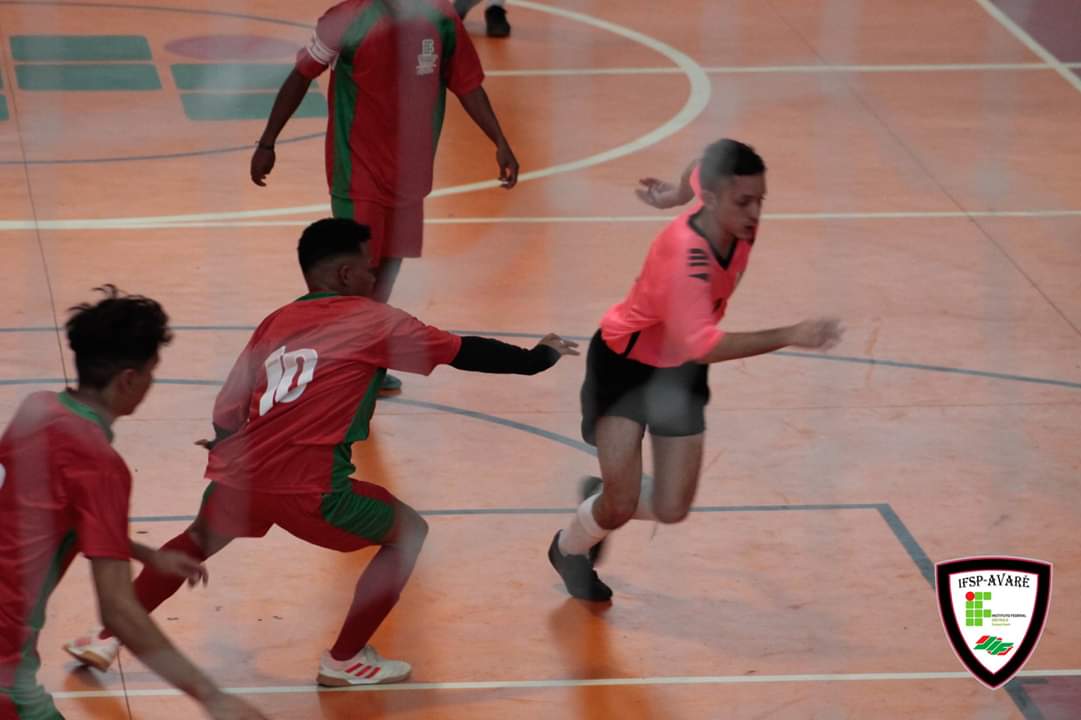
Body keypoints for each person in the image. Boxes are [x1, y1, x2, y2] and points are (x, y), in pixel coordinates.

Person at [65, 218, 577, 686]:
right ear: (348, 273)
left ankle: (105, 637)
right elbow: (466, 353)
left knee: (196, 540)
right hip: (312, 490)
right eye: (371, 268)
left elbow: (228, 406)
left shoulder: (277, 321)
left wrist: (227, 443)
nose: (377, 277)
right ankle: (345, 659)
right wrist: (538, 358)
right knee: (409, 534)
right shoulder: (375, 321)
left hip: (242, 476)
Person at [547, 139, 845, 602]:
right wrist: (792, 333)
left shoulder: (735, 221)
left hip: (677, 374)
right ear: (714, 198)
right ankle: (569, 548)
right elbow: (703, 345)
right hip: (624, 366)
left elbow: (703, 162)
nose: (754, 213)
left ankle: (602, 496)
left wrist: (676, 193)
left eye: (759, 201)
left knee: (672, 508)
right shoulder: (686, 256)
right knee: (621, 503)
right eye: (743, 201)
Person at [0, 287, 265, 720]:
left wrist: (144, 554)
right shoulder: (99, 463)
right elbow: (119, 612)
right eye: (151, 372)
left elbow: (46, 512)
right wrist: (213, 697)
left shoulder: (37, 408)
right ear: (128, 379)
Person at [251, 0, 520, 395]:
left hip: (411, 174)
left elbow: (467, 83)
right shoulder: (348, 18)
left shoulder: (441, 20)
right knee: (353, 272)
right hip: (357, 171)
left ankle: (364, 358)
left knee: (387, 268)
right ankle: (324, 362)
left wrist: (499, 140)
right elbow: (300, 75)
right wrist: (268, 141)